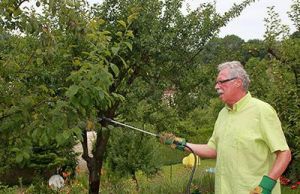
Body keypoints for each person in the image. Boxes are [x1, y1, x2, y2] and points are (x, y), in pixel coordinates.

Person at [160, 61, 291, 194]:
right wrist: (181, 144)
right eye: (217, 83)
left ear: (238, 82)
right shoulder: (223, 114)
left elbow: (284, 154)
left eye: (221, 81)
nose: (217, 86)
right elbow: (213, 149)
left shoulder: (262, 110)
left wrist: (265, 187)